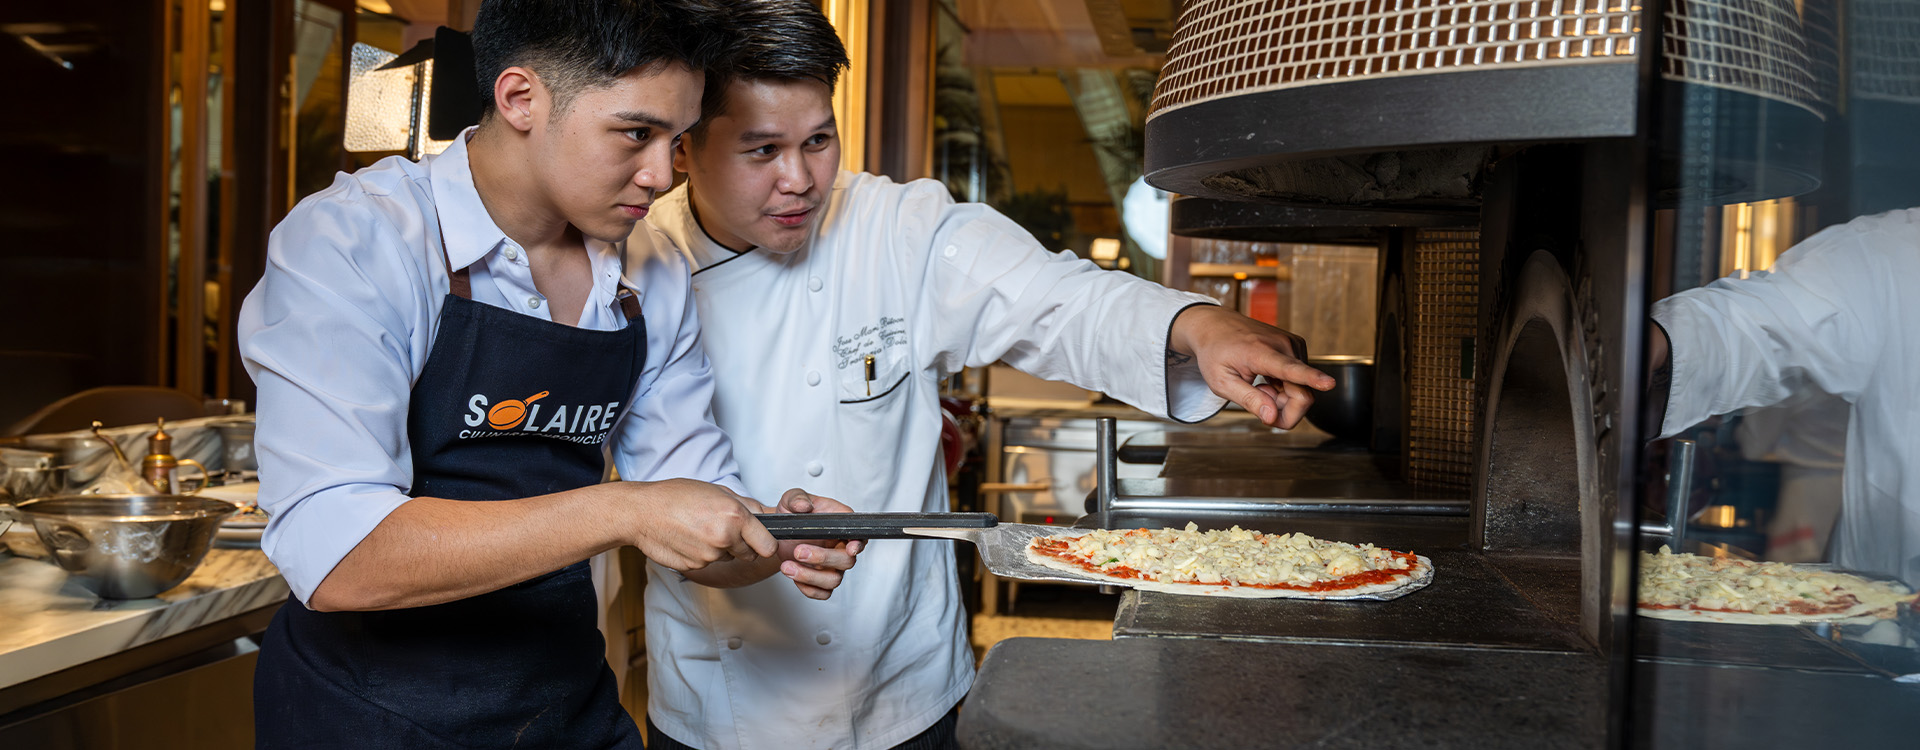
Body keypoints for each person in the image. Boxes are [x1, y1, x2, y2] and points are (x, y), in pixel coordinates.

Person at [625, 3, 1336, 748]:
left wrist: (1196, 324)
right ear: (684, 151)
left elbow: (1054, 297)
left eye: (818, 141)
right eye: (762, 150)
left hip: (903, 682)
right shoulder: (640, 266)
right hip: (724, 705)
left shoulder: (897, 230)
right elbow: (655, 485)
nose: (799, 178)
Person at [236, 2, 858, 746]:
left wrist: (766, 541)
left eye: (679, 138)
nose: (663, 175)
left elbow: (690, 498)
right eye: (635, 133)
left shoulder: (649, 271)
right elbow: (336, 557)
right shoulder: (356, 242)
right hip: (369, 715)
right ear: (520, 98)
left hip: (562, 704)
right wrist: (626, 510)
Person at [1651, 207, 1920, 584]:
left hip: (1814, 489)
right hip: (1884, 623)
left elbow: (1758, 441)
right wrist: (1661, 340)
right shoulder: (1899, 253)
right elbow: (1759, 322)